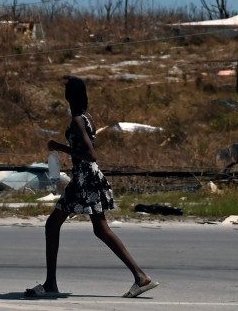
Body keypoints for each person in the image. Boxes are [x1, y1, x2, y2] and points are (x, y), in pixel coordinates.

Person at [26, 76, 158, 299]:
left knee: (53, 225)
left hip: (84, 179)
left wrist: (60, 147)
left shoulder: (78, 120)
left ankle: (51, 283)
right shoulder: (86, 117)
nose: (65, 93)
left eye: (67, 90)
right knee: (98, 229)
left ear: (71, 95)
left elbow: (89, 154)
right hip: (88, 177)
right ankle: (140, 276)